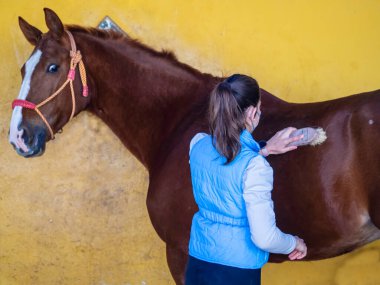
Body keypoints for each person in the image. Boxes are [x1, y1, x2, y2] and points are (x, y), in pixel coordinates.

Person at [186, 74, 307, 285]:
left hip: (198, 263)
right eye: (259, 107)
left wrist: (265, 149)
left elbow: (224, 166)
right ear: (252, 112)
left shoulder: (197, 145)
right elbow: (264, 237)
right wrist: (293, 243)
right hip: (236, 274)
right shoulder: (255, 167)